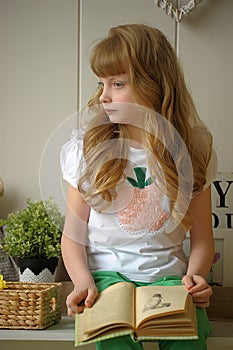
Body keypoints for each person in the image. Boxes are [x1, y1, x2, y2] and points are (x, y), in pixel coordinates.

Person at [60, 24, 217, 350]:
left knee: (190, 334)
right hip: (107, 279)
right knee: (112, 335)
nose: (104, 95)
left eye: (117, 84)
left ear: (154, 85)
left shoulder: (192, 149)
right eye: (102, 83)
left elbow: (202, 237)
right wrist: (83, 282)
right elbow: (72, 238)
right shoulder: (86, 151)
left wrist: (197, 276)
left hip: (169, 279)